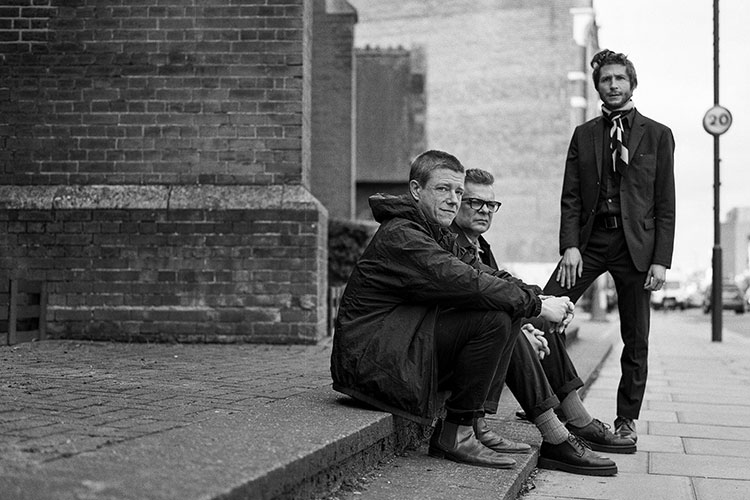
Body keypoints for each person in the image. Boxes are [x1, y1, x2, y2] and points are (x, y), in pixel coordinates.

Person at [331, 150, 577, 470]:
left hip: (402, 343)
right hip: (371, 363)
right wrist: (539, 306)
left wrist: (540, 296)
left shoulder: (434, 231)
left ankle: (473, 424)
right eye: (443, 189)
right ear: (417, 190)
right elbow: (468, 282)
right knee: (493, 316)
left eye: (458, 192)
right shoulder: (403, 236)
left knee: (503, 305)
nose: (453, 199)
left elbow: (485, 272)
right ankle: (456, 434)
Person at [451, 168, 634, 476]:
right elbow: (473, 300)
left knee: (541, 322)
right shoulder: (452, 242)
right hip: (462, 343)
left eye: (491, 204)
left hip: (477, 332)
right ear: (457, 202)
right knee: (519, 322)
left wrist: (531, 318)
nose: (484, 210)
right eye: (474, 202)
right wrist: (522, 327)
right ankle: (556, 433)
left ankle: (575, 416)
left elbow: (500, 290)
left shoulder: (481, 245)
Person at [543, 49, 676, 444]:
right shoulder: (583, 135)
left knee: (636, 338)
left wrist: (661, 260)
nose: (613, 85)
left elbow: (666, 202)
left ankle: (626, 419)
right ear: (597, 86)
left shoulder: (658, 134)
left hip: (637, 247)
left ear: (632, 83)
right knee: (543, 312)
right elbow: (570, 196)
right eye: (606, 79)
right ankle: (555, 398)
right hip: (590, 242)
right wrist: (570, 245)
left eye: (619, 78)